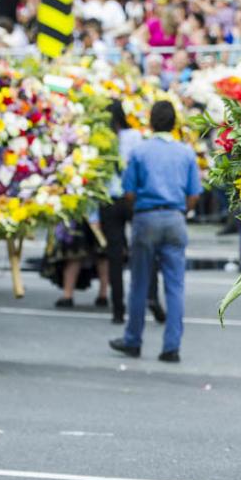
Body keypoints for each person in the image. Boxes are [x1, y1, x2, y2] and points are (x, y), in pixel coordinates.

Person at [109, 101, 202, 362]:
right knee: (175, 285)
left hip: (146, 217)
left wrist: (140, 206)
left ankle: (133, 340)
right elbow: (194, 195)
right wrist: (180, 211)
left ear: (150, 122)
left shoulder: (139, 152)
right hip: (174, 218)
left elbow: (128, 192)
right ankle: (171, 346)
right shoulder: (186, 153)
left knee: (139, 282)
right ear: (174, 124)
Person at [99, 100, 143, 324]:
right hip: (132, 198)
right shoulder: (134, 137)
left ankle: (118, 308)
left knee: (115, 256)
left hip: (110, 201)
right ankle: (147, 299)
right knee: (142, 252)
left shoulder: (100, 140)